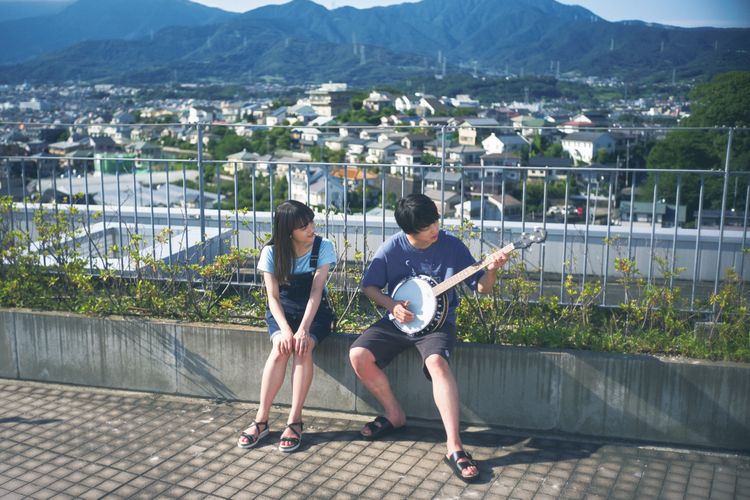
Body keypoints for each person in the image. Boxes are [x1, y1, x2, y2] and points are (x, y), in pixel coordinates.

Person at [349, 193, 508, 482]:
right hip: (399, 321)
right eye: (426, 226)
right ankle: (394, 414)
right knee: (358, 355)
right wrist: (392, 306)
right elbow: (369, 287)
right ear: (409, 231)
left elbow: (481, 288)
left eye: (435, 220)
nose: (435, 229)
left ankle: (454, 446)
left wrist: (492, 269)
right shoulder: (392, 248)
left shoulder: (451, 246)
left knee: (437, 364)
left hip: (438, 324)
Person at [237, 200, 336, 453]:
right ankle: (261, 420)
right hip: (282, 310)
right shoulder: (271, 253)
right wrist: (284, 329)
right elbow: (272, 297)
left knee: (303, 348)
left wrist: (303, 329)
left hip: (315, 312)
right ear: (288, 230)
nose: (311, 228)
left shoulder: (323, 247)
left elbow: (316, 291)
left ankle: (294, 421)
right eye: (303, 226)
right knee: (280, 348)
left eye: (311, 222)